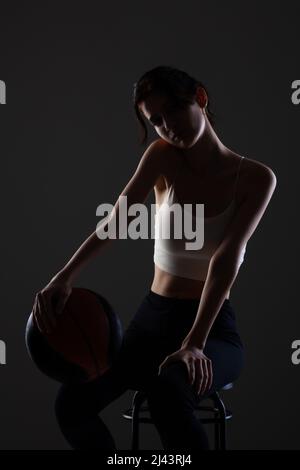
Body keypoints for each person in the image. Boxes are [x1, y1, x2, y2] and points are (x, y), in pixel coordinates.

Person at [32, 65, 277, 450]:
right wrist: (63, 276)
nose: (169, 127)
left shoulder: (256, 178)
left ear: (200, 98)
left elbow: (227, 259)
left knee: (167, 397)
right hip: (151, 323)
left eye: (175, 111)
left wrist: (194, 342)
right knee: (72, 404)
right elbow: (117, 220)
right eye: (157, 121)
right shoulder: (161, 156)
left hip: (211, 328)